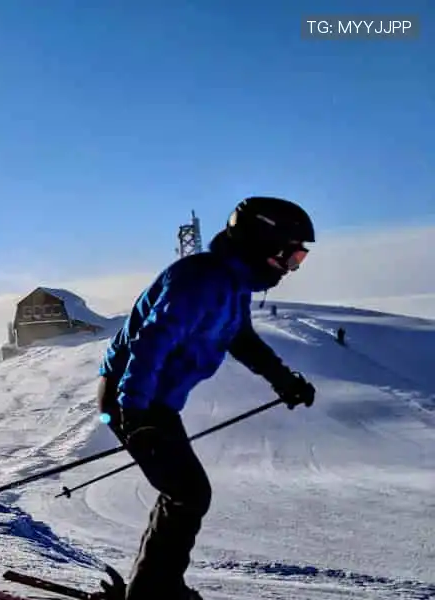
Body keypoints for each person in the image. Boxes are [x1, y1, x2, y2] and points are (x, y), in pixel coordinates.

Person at [95, 196, 319, 599]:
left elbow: (241, 339)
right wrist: (134, 414)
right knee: (187, 491)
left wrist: (283, 380)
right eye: (293, 255)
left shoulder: (232, 286)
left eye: (299, 259)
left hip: (152, 400)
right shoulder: (200, 280)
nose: (293, 267)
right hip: (133, 396)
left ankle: (154, 588)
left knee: (187, 492)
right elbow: (151, 344)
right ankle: (152, 593)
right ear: (261, 242)